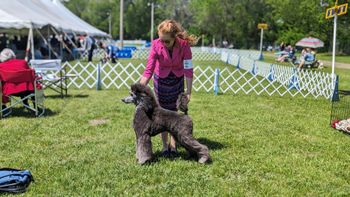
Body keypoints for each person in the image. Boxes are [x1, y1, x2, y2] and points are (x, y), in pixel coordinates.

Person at [139, 19, 197, 157]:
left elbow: (188, 69)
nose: (163, 43)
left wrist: (188, 92)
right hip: (161, 81)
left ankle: (173, 145)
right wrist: (139, 89)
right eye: (161, 40)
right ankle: (165, 146)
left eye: (167, 41)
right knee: (162, 114)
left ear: (175, 37)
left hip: (177, 80)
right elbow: (149, 69)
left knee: (174, 114)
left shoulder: (184, 45)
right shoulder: (156, 44)